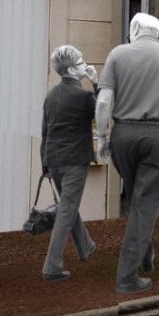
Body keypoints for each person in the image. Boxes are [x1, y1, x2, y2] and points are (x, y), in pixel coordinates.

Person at [95, 13, 159, 295]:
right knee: (144, 204)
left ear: (137, 28)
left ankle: (145, 254)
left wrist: (101, 138)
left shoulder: (117, 54)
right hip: (156, 137)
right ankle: (126, 277)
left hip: (123, 136)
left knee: (137, 197)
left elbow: (104, 100)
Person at [39, 45, 99, 281]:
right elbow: (101, 113)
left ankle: (85, 247)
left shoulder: (50, 95)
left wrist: (44, 162)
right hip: (75, 161)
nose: (85, 64)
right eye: (82, 62)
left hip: (53, 160)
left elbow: (45, 131)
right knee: (67, 210)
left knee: (68, 205)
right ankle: (51, 267)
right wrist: (96, 83)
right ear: (73, 69)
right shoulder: (84, 96)